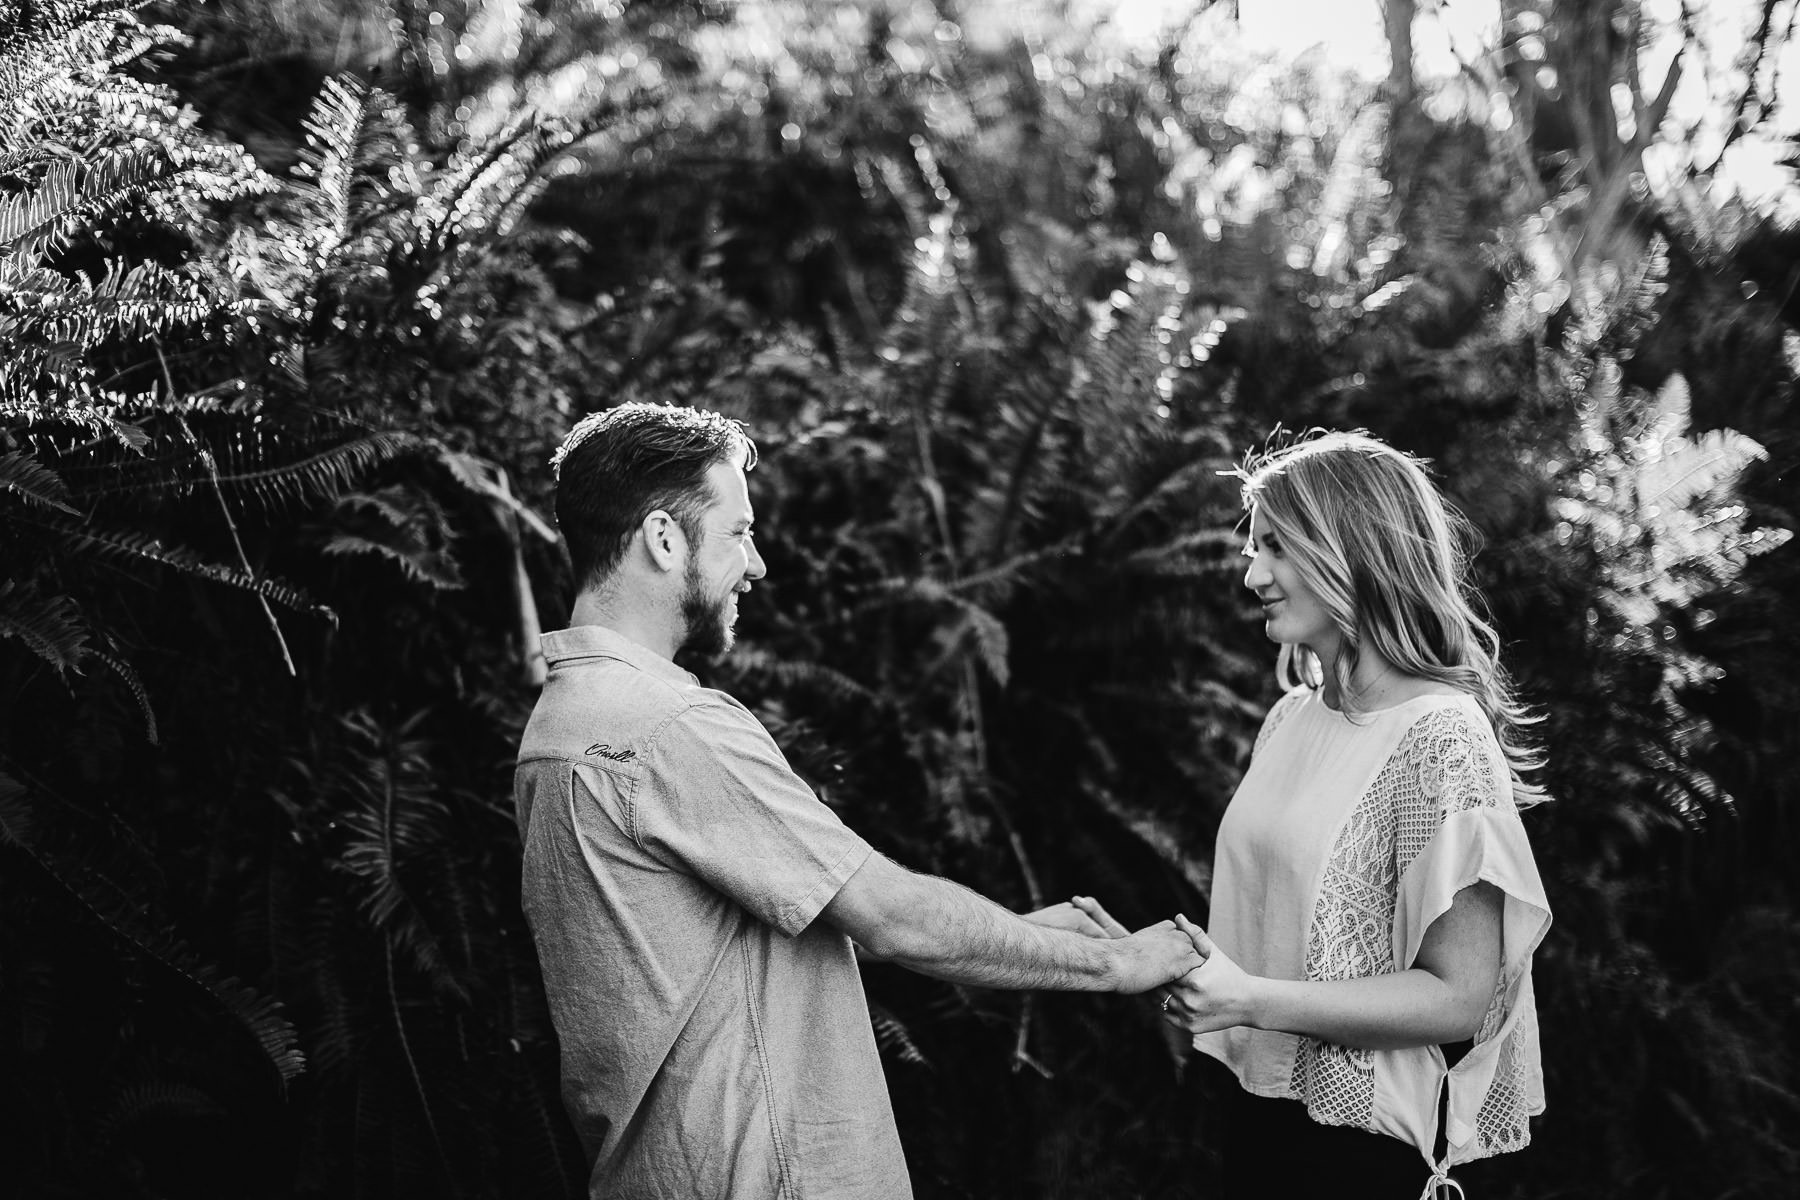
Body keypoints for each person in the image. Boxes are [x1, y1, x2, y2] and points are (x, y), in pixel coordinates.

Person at [513, 402, 1204, 1200]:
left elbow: (762, 925)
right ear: (664, 540)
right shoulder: (672, 728)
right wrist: (1114, 962)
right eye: (738, 532)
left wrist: (1021, 936)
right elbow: (888, 915)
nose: (756, 564)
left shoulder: (559, 729)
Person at [1079, 430, 1552, 1198]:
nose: (1251, 574)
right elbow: (1282, 931)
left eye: (1277, 548)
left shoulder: (1440, 736)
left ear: (1353, 552)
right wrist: (1154, 961)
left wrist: (1250, 999)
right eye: (1253, 547)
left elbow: (1458, 995)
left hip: (1359, 1151)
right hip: (1256, 1110)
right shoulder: (1292, 717)